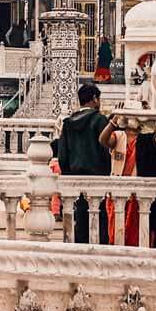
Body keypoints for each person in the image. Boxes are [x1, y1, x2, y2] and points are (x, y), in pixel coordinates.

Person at [53, 82, 114, 243]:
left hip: (75, 177)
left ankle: (80, 247)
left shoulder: (68, 123)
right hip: (98, 177)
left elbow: (62, 154)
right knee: (99, 216)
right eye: (99, 99)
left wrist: (67, 175)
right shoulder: (99, 120)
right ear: (94, 99)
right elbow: (105, 150)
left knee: (80, 216)